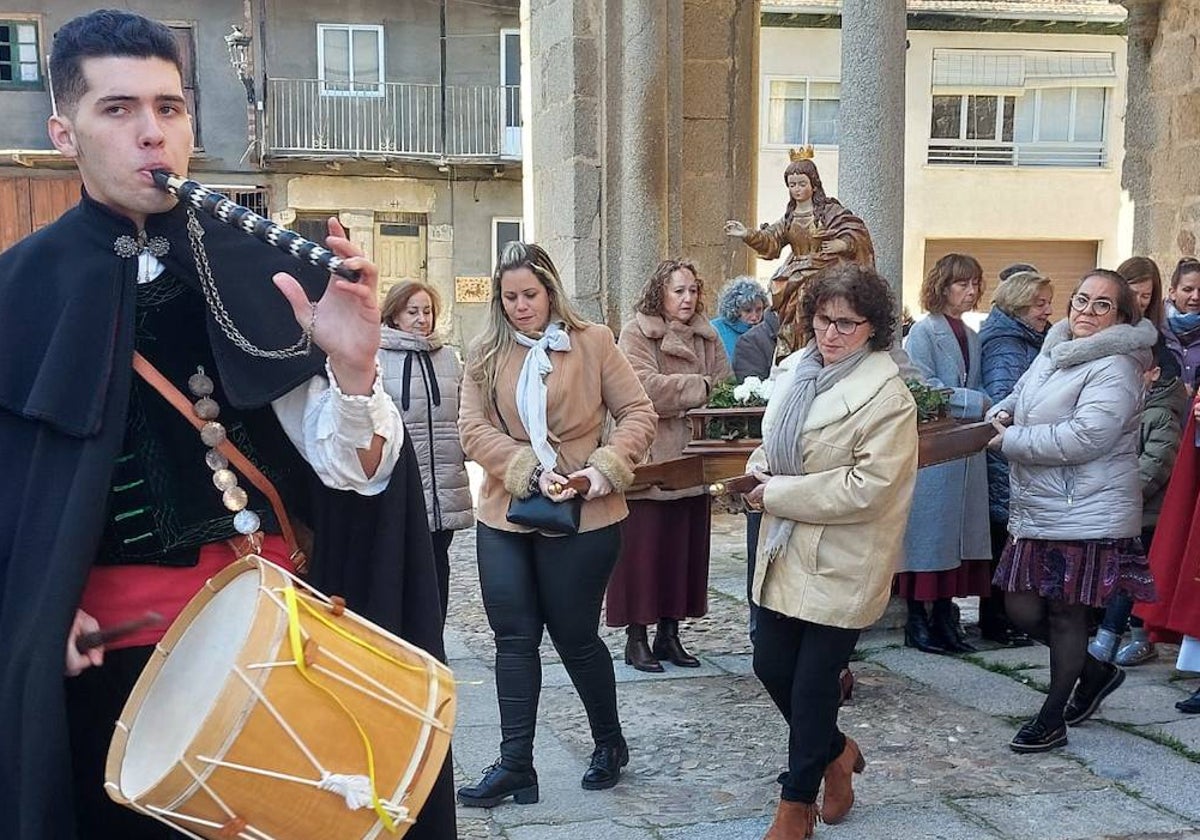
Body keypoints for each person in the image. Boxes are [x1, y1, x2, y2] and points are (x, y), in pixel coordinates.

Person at [0, 11, 455, 839]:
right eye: (119, 110)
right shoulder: (17, 293)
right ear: (64, 132)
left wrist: (354, 370)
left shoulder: (261, 268)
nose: (151, 135)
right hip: (117, 674)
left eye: (169, 109)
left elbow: (355, 473)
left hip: (277, 649)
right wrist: (33, 605)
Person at [456, 241, 656, 807]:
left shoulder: (594, 342)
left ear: (550, 292)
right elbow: (471, 429)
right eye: (509, 297)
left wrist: (600, 471)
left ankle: (609, 742)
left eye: (530, 295)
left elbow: (638, 413)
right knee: (513, 638)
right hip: (506, 510)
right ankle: (516, 765)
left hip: (586, 512)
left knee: (574, 638)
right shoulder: (485, 350)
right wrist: (524, 469)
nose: (520, 306)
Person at [743, 264, 918, 838]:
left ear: (873, 328)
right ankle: (837, 751)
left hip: (846, 553)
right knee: (770, 664)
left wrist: (778, 493)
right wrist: (757, 474)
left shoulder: (888, 395)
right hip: (784, 544)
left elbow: (869, 486)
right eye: (823, 319)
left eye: (847, 323)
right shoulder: (796, 370)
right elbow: (775, 444)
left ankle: (796, 803)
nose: (831, 333)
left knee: (815, 680)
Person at [988, 270, 1158, 752]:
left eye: (1102, 305)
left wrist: (1010, 441)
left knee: (1066, 615)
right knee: (1019, 606)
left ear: (1122, 317)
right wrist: (1001, 413)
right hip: (1042, 505)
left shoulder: (1118, 365)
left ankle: (1051, 717)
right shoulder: (1056, 347)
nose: (1085, 311)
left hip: (1086, 507)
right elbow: (1021, 396)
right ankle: (1095, 670)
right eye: (1080, 299)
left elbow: (1087, 437)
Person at [608, 259, 732, 672]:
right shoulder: (637, 332)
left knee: (683, 552)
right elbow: (642, 388)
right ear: (659, 292)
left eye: (693, 290)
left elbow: (726, 385)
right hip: (652, 458)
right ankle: (637, 637)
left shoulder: (707, 336)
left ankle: (670, 633)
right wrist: (699, 388)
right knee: (643, 553)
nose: (687, 298)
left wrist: (706, 391)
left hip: (694, 458)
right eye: (679, 291)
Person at [1085, 257, 1186, 671]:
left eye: (1149, 295)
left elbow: (1157, 460)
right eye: (1135, 294)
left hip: (1139, 506)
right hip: (1110, 499)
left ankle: (1123, 636)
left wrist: (1126, 491)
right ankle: (1105, 633)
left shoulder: (1160, 409)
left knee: (1134, 573)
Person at [897, 254, 993, 655]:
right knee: (930, 537)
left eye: (974, 284)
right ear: (941, 286)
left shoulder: (971, 335)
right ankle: (918, 620)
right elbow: (923, 386)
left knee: (958, 538)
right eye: (960, 284)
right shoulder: (924, 331)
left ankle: (944, 615)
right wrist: (978, 402)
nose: (969, 292)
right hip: (936, 449)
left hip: (966, 451)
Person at [378, 281, 474, 623]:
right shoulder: (377, 358)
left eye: (427, 311)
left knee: (438, 566)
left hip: (445, 484)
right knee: (400, 566)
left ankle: (435, 642)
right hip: (401, 485)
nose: (422, 319)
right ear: (395, 315)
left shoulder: (449, 357)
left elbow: (467, 412)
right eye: (413, 311)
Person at [724, 153, 874, 360]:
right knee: (794, 321)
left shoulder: (830, 212)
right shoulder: (789, 218)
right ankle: (797, 356)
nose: (797, 189)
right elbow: (770, 240)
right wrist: (747, 234)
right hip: (795, 277)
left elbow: (855, 232)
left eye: (802, 183)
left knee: (824, 315)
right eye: (792, 185)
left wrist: (841, 244)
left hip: (825, 274)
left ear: (814, 184)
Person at [978, 270, 1054, 647]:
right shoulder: (1008, 343)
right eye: (1040, 304)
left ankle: (1002, 620)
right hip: (1005, 456)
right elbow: (1002, 398)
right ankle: (998, 622)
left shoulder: (1025, 337)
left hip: (1013, 451)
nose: (1047, 311)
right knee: (1002, 544)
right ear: (1020, 303)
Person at [711, 276, 770, 361]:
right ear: (735, 310)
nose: (754, 317)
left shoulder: (767, 330)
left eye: (759, 310)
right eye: (748, 311)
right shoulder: (715, 330)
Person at [1164, 257, 1200, 393]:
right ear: (1172, 292)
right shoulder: (1154, 329)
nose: (1196, 296)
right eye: (1188, 289)